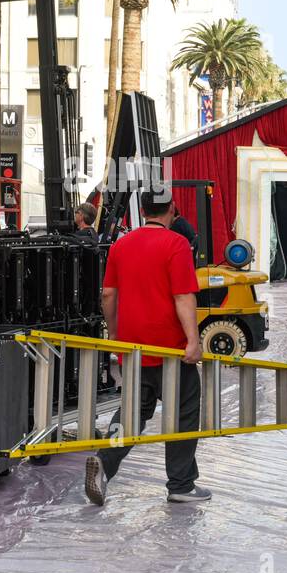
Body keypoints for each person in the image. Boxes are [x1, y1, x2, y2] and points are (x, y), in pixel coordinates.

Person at [86, 189, 207, 506]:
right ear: (172, 209)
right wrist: (193, 341)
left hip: (133, 347)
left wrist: (114, 334)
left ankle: (104, 460)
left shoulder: (121, 245)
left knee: (133, 411)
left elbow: (108, 295)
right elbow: (183, 297)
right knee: (182, 413)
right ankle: (181, 486)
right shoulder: (177, 244)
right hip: (170, 350)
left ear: (142, 209)